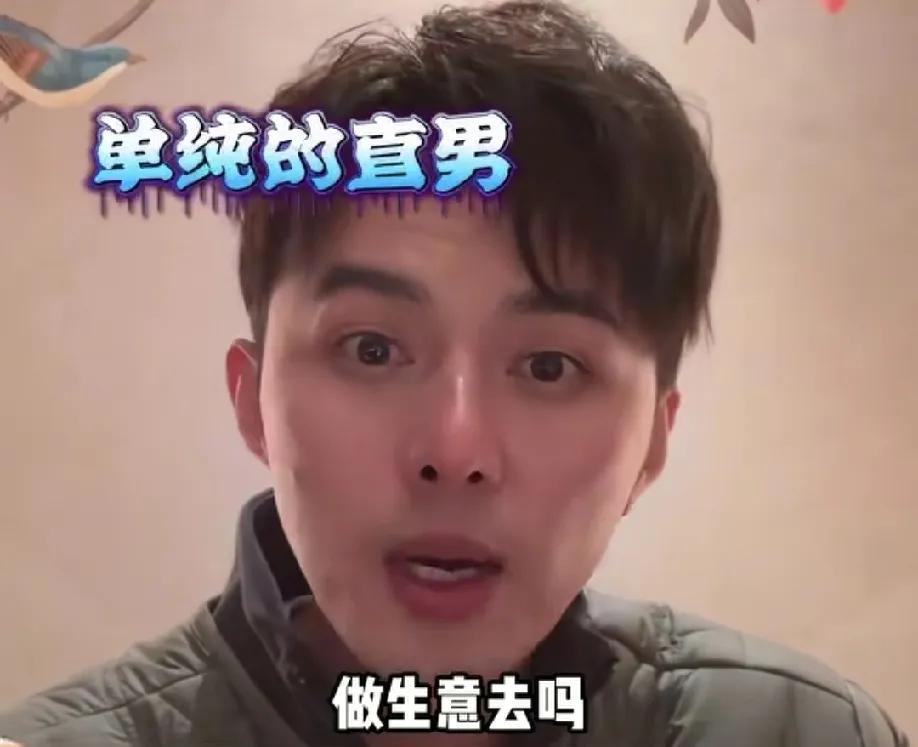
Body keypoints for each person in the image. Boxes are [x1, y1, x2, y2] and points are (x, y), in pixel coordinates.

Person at [0, 1, 909, 745]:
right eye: (372, 349)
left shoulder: (799, 732)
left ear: (652, 445)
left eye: (549, 365)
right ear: (252, 402)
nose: (455, 450)